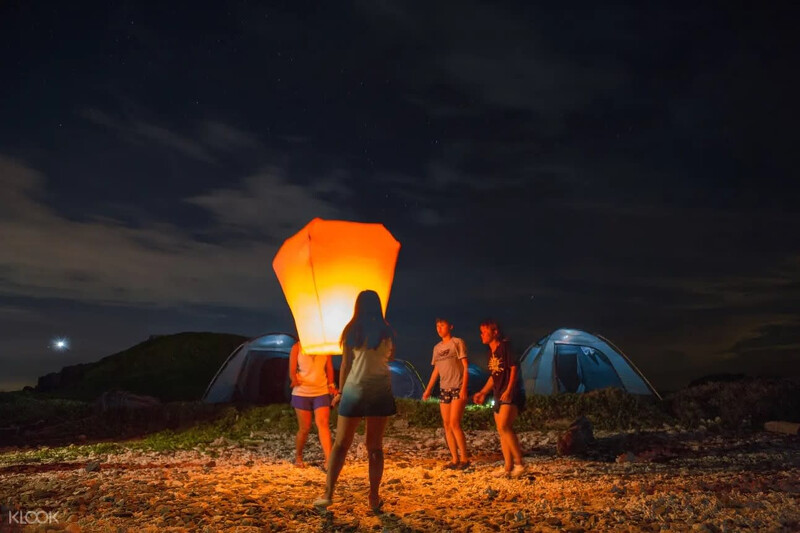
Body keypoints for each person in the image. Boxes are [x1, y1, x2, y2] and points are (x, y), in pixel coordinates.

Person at [314, 290, 396, 513]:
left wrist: (339, 392)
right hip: (380, 391)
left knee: (341, 444)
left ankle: (328, 494)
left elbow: (347, 364)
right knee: (375, 448)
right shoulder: (386, 330)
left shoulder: (352, 330)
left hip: (355, 389)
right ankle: (373, 497)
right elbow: (390, 358)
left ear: (358, 306)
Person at [472, 319, 526, 478]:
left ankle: (520, 463)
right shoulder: (492, 352)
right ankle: (508, 466)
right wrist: (482, 392)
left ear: (495, 332)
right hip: (498, 393)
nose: (481, 335)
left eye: (484, 332)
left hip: (511, 393)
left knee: (504, 426)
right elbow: (493, 376)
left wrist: (509, 389)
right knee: (501, 430)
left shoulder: (505, 347)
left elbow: (514, 368)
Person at [422, 317, 471, 469]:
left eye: (442, 325)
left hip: (457, 386)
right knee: (446, 424)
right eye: (437, 326)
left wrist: (464, 388)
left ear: (450, 326)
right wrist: (428, 389)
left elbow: (465, 366)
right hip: (444, 388)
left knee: (455, 423)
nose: (439, 328)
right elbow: (436, 370)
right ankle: (454, 459)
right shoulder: (436, 348)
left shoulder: (457, 342)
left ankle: (465, 459)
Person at [289, 341, 336, 468]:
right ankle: (298, 456)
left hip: (321, 391)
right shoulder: (297, 347)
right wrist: (294, 379)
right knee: (305, 428)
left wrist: (331, 385)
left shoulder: (325, 347)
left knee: (323, 424)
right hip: (301, 392)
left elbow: (329, 367)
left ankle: (329, 460)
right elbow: (292, 370)